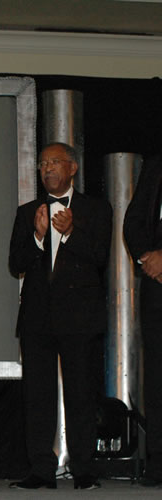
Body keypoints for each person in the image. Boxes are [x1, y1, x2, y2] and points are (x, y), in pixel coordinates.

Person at [8, 142, 111, 490]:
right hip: (37, 317)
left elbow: (99, 257)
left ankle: (83, 468)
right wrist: (39, 237)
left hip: (80, 316)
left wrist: (70, 233)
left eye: (54, 162)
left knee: (81, 393)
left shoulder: (96, 209)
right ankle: (40, 469)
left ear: (72, 168)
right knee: (37, 395)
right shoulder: (27, 212)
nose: (47, 169)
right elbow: (15, 264)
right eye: (42, 163)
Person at [123, 152, 162, 487]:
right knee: (157, 376)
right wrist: (148, 259)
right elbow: (133, 221)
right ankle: (159, 462)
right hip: (157, 287)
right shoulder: (156, 163)